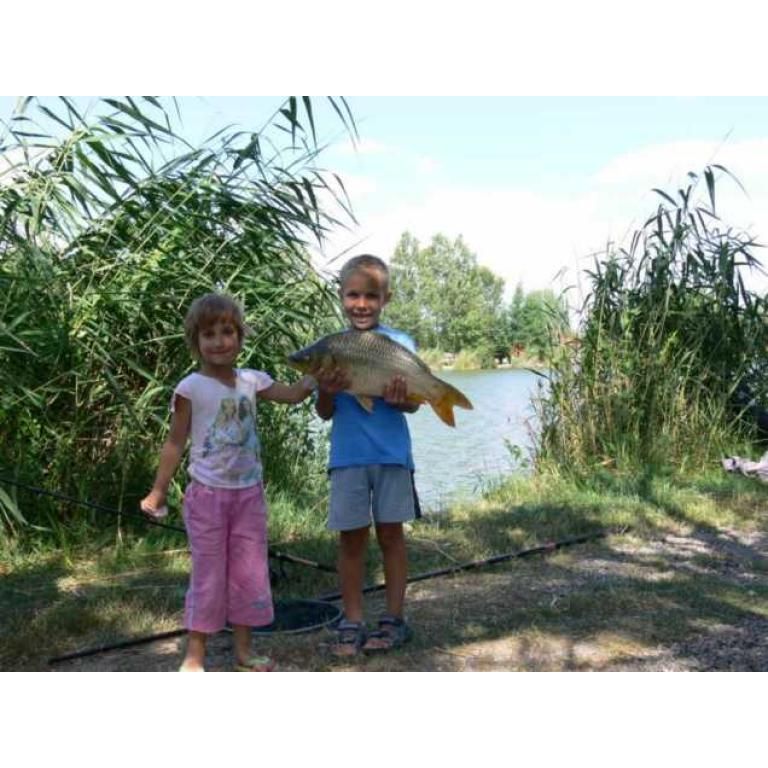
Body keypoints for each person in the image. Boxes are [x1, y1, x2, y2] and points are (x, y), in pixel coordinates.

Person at [140, 292, 316, 672]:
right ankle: (195, 655)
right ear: (195, 342)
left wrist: (321, 372)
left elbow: (294, 394)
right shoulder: (190, 388)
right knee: (208, 575)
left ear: (240, 336)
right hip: (206, 497)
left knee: (249, 574)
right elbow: (174, 443)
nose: (219, 341)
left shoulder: (252, 381)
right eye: (209, 334)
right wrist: (158, 491)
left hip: (249, 497)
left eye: (227, 332)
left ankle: (243, 652)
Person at [314, 254, 420, 656]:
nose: (361, 303)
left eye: (370, 296)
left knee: (392, 536)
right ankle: (352, 618)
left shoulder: (400, 344)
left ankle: (394, 618)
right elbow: (325, 412)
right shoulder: (331, 349)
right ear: (341, 297)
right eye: (353, 295)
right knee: (351, 540)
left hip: (393, 455)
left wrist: (402, 398)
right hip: (347, 457)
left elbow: (411, 406)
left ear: (385, 298)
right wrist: (326, 388)